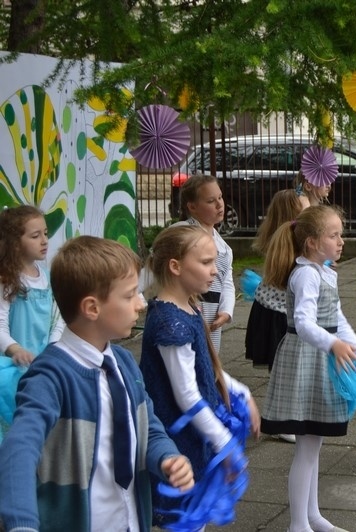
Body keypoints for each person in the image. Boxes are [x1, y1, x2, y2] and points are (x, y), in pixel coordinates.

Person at [0, 236, 194, 531]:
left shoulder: (123, 362)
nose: (141, 304)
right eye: (130, 296)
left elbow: (148, 428)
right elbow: (19, 450)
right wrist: (22, 523)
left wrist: (167, 457)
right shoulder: (50, 376)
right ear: (92, 308)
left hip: (128, 521)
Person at [260, 205, 356, 532]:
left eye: (341, 234)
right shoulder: (306, 274)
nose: (341, 241)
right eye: (334, 235)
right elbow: (304, 324)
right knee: (307, 447)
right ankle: (298, 524)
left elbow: (337, 321)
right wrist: (334, 346)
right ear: (311, 242)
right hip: (305, 360)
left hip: (319, 359)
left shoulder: (324, 271)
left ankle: (312, 517)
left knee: (313, 445)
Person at [139, 224, 260, 528]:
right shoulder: (170, 323)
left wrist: (243, 392)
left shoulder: (188, 306)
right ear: (175, 266)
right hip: (178, 440)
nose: (214, 272)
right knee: (186, 518)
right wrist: (225, 443)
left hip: (195, 434)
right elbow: (187, 395)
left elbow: (208, 366)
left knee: (197, 516)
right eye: (206, 263)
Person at [0, 205, 64, 441]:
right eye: (35, 236)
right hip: (12, 368)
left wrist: (54, 346)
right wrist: (15, 349)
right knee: (16, 426)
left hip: (41, 363)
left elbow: (58, 316)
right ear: (15, 243)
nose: (44, 241)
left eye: (45, 233)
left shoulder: (45, 274)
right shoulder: (8, 278)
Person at [245, 188, 304, 444]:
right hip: (276, 313)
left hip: (280, 311)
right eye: (304, 207)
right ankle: (279, 420)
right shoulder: (285, 243)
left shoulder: (292, 239)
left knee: (290, 370)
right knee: (284, 369)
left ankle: (285, 415)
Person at [175, 174, 235, 353]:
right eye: (211, 201)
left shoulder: (224, 247)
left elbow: (227, 282)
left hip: (212, 314)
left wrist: (226, 311)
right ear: (192, 206)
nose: (219, 204)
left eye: (220, 197)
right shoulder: (181, 234)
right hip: (187, 308)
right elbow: (156, 266)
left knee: (207, 361)